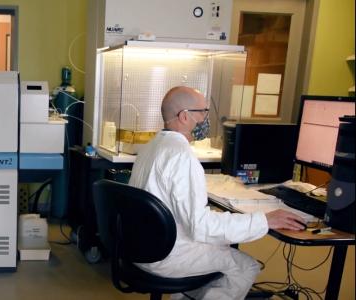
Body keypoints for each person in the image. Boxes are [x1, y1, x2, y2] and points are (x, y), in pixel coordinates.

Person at [128, 86, 305, 300]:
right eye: (202, 112)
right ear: (184, 116)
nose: (206, 119)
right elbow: (200, 226)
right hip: (165, 256)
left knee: (221, 244)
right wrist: (264, 221)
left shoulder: (151, 147)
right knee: (246, 266)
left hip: (141, 247)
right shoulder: (182, 156)